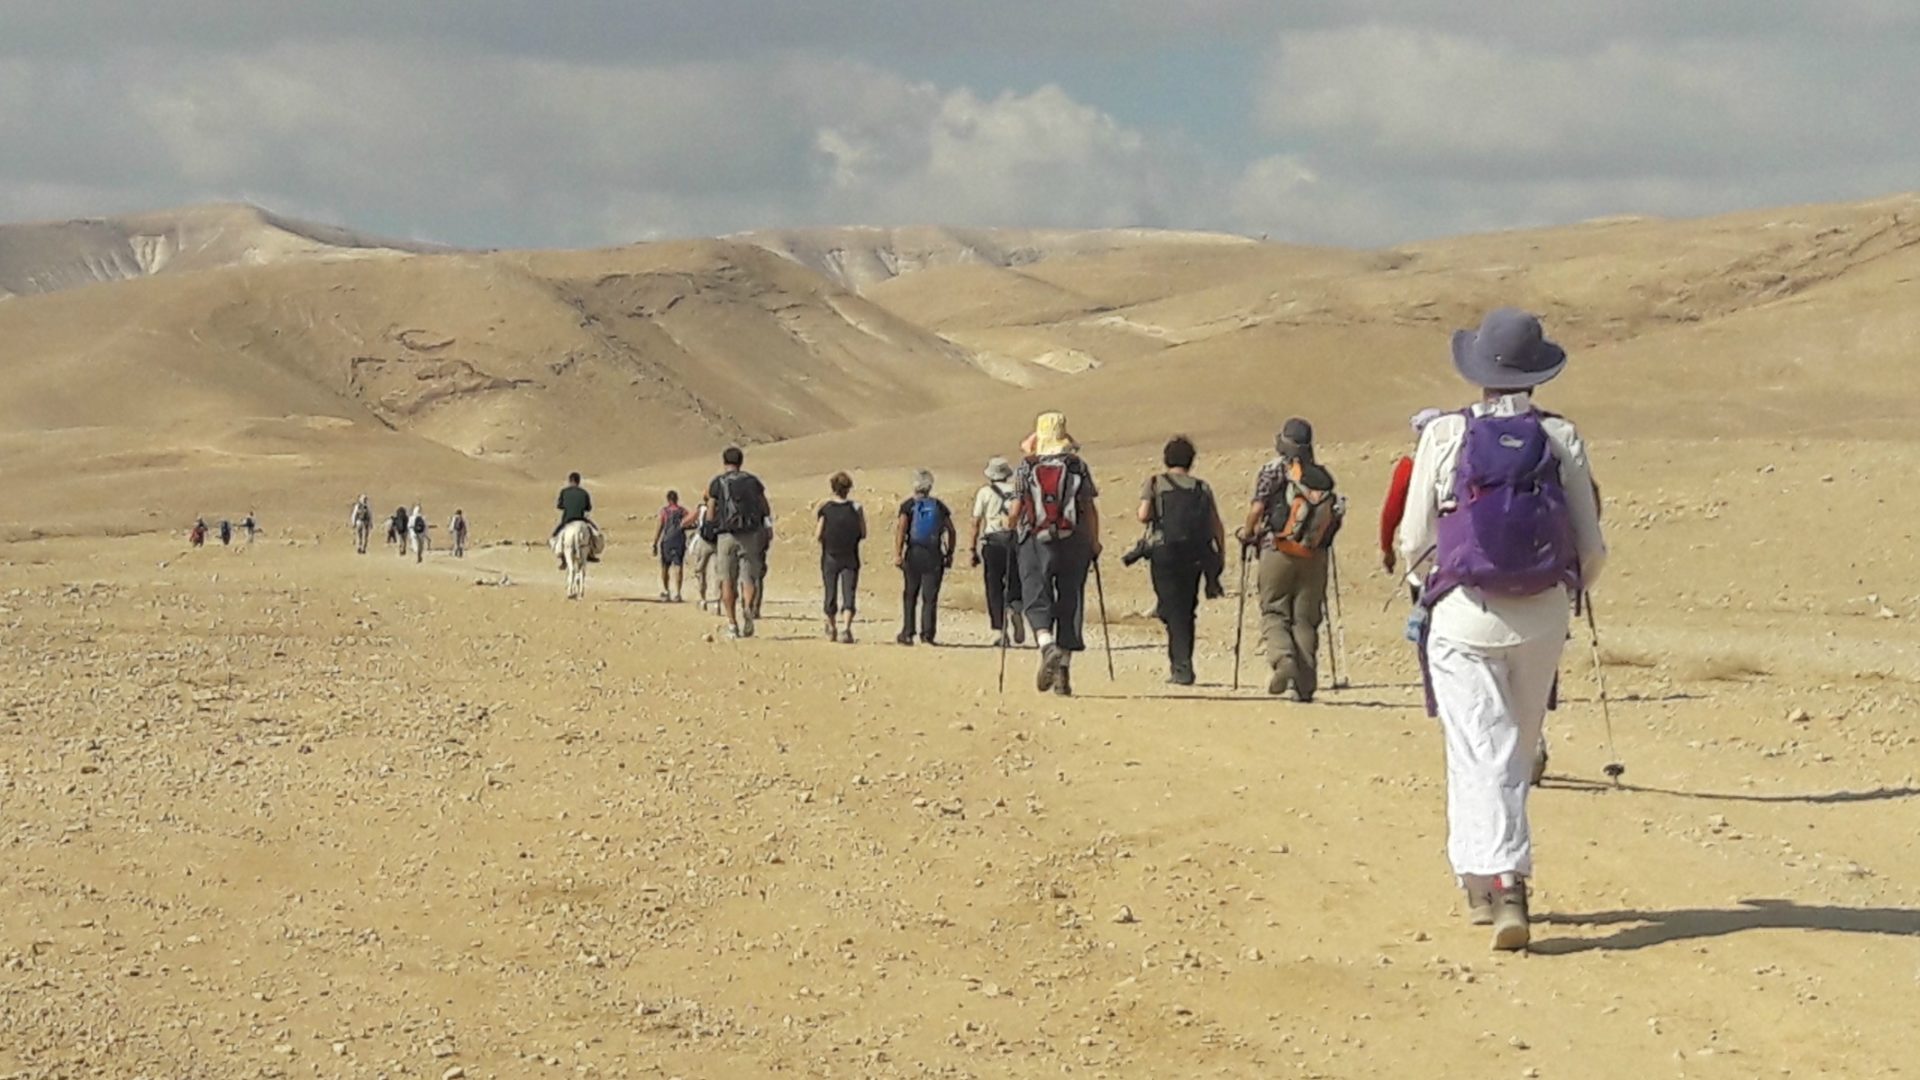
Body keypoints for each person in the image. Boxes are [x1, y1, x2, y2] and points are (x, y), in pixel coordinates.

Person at [1396, 308, 1607, 952]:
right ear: (1539, 374)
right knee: (1511, 749)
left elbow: (1413, 537)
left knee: (1476, 750)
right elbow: (1592, 544)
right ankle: (1476, 878)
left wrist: (1418, 577)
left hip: (1464, 614)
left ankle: (1505, 881)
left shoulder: (1444, 436)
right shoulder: (1562, 437)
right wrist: (1567, 590)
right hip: (1542, 616)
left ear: (1478, 371)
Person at [1238, 418, 1341, 702]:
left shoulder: (1273, 470)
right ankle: (1305, 686)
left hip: (1278, 549)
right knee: (1306, 619)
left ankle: (1284, 661)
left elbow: (1257, 508)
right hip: (1314, 554)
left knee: (1275, 611)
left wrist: (1247, 534)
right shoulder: (1322, 476)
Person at [1008, 412, 1101, 697]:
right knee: (1070, 600)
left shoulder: (1026, 468)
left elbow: (1015, 511)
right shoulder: (1077, 466)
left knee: (1037, 595)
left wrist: (1010, 529)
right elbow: (1089, 507)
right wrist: (1094, 543)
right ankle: (1063, 672)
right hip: (1074, 541)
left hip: (1035, 540)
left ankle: (1047, 645)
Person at [1136, 436, 1227, 686]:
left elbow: (1143, 515)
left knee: (1171, 607)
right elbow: (1215, 524)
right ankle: (1183, 664)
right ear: (1191, 461)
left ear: (1166, 458)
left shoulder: (1155, 483)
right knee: (1186, 610)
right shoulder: (1201, 487)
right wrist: (1219, 556)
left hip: (1164, 555)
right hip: (1195, 555)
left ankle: (1181, 668)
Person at [705, 446, 771, 639]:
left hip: (726, 535)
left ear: (724, 462)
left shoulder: (718, 483)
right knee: (748, 578)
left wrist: (711, 527)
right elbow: (765, 507)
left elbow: (710, 510)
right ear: (741, 462)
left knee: (727, 580)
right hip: (750, 535)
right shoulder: (753, 481)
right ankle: (749, 608)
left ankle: (732, 624)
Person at [968, 457, 1026, 647]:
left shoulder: (984, 492)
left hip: (992, 542)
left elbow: (976, 522)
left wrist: (972, 548)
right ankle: (1016, 608)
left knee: (994, 587)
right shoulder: (1017, 491)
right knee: (1015, 580)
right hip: (1013, 540)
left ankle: (1001, 631)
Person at [894, 470, 956, 645]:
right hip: (934, 554)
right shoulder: (939, 506)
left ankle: (907, 632)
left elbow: (901, 529)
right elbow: (951, 530)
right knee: (930, 597)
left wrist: (898, 554)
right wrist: (949, 553)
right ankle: (927, 635)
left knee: (910, 594)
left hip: (914, 552)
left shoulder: (908, 506)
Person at [816, 471, 866, 643]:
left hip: (830, 555)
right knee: (848, 592)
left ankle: (831, 627)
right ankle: (846, 628)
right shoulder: (856, 508)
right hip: (851, 555)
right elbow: (863, 532)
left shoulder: (826, 508)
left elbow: (818, 534)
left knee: (830, 592)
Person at [554, 471, 596, 568]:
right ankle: (591, 553)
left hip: (567, 520)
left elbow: (559, 506)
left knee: (555, 536)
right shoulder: (584, 493)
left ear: (570, 481)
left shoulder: (564, 492)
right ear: (579, 481)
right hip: (581, 520)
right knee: (594, 534)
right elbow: (588, 508)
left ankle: (563, 559)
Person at [652, 491, 689, 602]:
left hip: (667, 541)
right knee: (678, 566)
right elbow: (690, 522)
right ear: (677, 499)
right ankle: (678, 593)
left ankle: (666, 591)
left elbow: (659, 527)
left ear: (668, 499)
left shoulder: (664, 512)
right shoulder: (683, 511)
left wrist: (655, 543)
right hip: (679, 541)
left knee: (665, 567)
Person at [686, 502, 717, 612]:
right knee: (720, 573)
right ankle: (717, 602)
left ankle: (703, 599)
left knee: (700, 571)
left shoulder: (702, 508)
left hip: (704, 542)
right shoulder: (723, 506)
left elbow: (687, 521)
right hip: (719, 541)